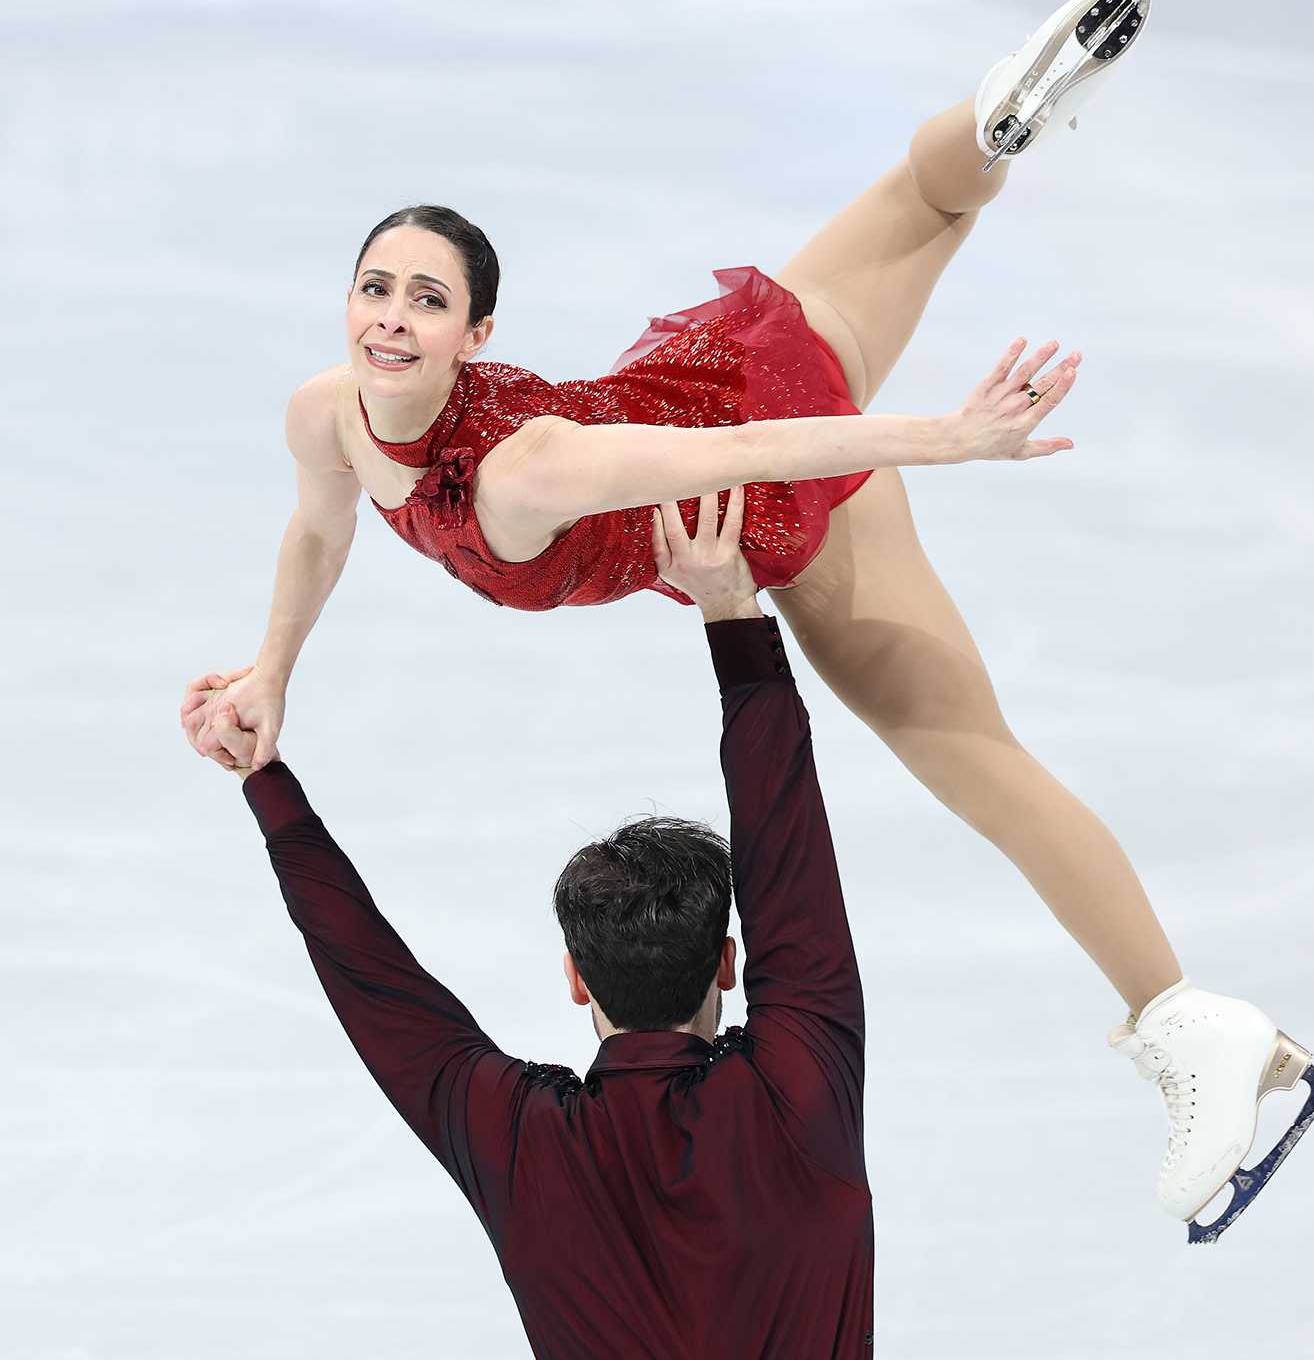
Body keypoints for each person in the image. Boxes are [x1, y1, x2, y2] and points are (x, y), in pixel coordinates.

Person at [183, 0, 1314, 1236]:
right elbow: (319, 527)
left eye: (426, 299)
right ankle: (1000, 112)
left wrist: (947, 441)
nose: (391, 319)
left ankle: (1190, 1027)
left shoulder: (524, 473)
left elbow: (733, 460)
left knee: (966, 754)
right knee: (929, 195)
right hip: (727, 358)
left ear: (477, 334)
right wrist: (270, 670)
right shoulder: (326, 413)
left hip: (779, 473)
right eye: (375, 288)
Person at [213, 490, 877, 1356]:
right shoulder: (802, 1081)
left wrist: (263, 779)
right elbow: (791, 859)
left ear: (575, 976)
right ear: (726, 962)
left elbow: (376, 985)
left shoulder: (522, 1140)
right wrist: (728, 611)